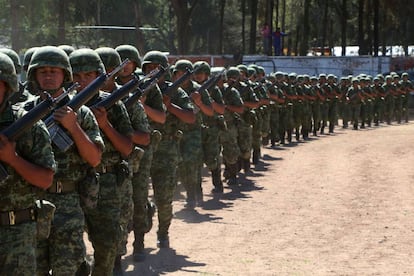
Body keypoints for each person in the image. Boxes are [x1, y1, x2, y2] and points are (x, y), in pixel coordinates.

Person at [25, 46, 104, 276]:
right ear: (34, 76)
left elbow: (95, 158)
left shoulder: (82, 113)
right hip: (33, 202)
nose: (48, 76)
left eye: (54, 71)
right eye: (43, 71)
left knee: (67, 268)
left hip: (67, 203)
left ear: (64, 75)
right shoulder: (23, 112)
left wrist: (73, 127)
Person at [70, 47, 134, 276]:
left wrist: (105, 124)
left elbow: (128, 148)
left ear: (99, 76)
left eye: (88, 75)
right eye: (76, 76)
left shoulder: (113, 103)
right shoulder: (60, 108)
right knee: (68, 252)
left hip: (106, 183)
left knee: (107, 246)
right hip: (71, 185)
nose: (82, 81)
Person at [0, 52, 55, 275]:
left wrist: (12, 159)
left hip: (17, 234)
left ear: (8, 87)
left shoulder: (29, 125)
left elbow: (45, 179)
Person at [148, 51, 195, 248]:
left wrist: (171, 106)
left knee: (165, 198)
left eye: (156, 69)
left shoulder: (175, 91)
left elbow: (190, 117)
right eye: (148, 69)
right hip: (141, 149)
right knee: (136, 197)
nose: (152, 73)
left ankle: (163, 232)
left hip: (166, 150)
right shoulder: (139, 90)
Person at [174, 59, 213, 208]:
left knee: (191, 163)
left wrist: (199, 103)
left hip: (193, 132)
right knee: (181, 165)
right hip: (176, 133)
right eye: (179, 73)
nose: (182, 76)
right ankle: (193, 189)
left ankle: (192, 195)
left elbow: (210, 112)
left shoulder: (199, 90)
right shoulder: (172, 91)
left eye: (185, 73)